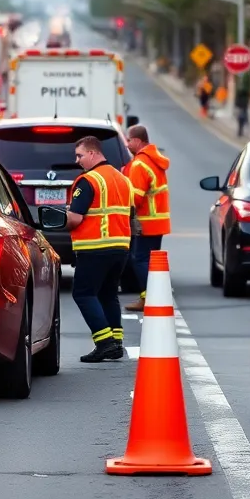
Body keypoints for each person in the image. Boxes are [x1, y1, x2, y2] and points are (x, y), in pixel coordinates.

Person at [66, 135, 133, 363]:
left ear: (93, 153)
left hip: (94, 247)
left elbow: (75, 219)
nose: (78, 161)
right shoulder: (123, 179)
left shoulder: (88, 180)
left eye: (80, 155)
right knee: (108, 293)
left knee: (83, 293)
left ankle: (104, 342)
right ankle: (116, 342)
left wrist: (58, 220)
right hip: (120, 247)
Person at [122, 125, 170, 312]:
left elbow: (135, 197)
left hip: (145, 222)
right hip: (157, 221)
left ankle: (148, 296)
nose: (127, 144)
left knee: (139, 259)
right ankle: (153, 295)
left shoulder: (140, 163)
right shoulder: (154, 159)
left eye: (128, 140)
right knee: (149, 260)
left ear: (137, 140)